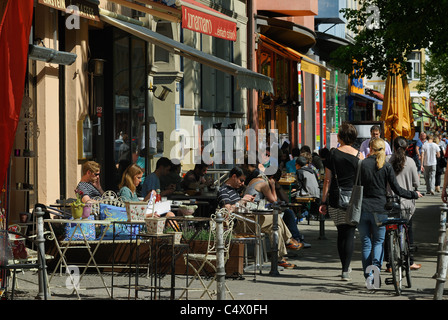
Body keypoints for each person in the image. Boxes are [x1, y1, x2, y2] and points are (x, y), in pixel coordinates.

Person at [358, 138, 422, 287]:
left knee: (366, 244)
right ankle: (375, 276)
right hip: (380, 209)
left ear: (370, 148)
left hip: (363, 208)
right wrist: (414, 194)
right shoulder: (386, 166)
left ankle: (369, 278)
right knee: (378, 242)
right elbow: (397, 190)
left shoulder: (362, 164)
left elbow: (357, 185)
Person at [319, 123, 364, 281]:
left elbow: (327, 180)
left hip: (336, 197)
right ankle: (346, 269)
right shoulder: (360, 155)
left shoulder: (333, 154)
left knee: (341, 233)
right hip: (354, 198)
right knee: (350, 232)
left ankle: (344, 266)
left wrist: (323, 201)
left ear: (340, 137)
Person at [241, 161, 303, 269]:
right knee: (276, 220)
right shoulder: (264, 184)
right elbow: (273, 200)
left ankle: (280, 258)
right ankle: (288, 242)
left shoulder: (255, 179)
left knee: (276, 227)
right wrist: (274, 187)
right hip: (250, 220)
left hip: (248, 217)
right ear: (273, 178)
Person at [387, 136, 421, 270]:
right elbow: (416, 183)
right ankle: (410, 261)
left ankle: (389, 264)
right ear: (407, 148)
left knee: (389, 231)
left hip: (390, 202)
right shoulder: (411, 162)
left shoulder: (387, 161)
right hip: (407, 203)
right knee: (408, 230)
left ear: (394, 147)